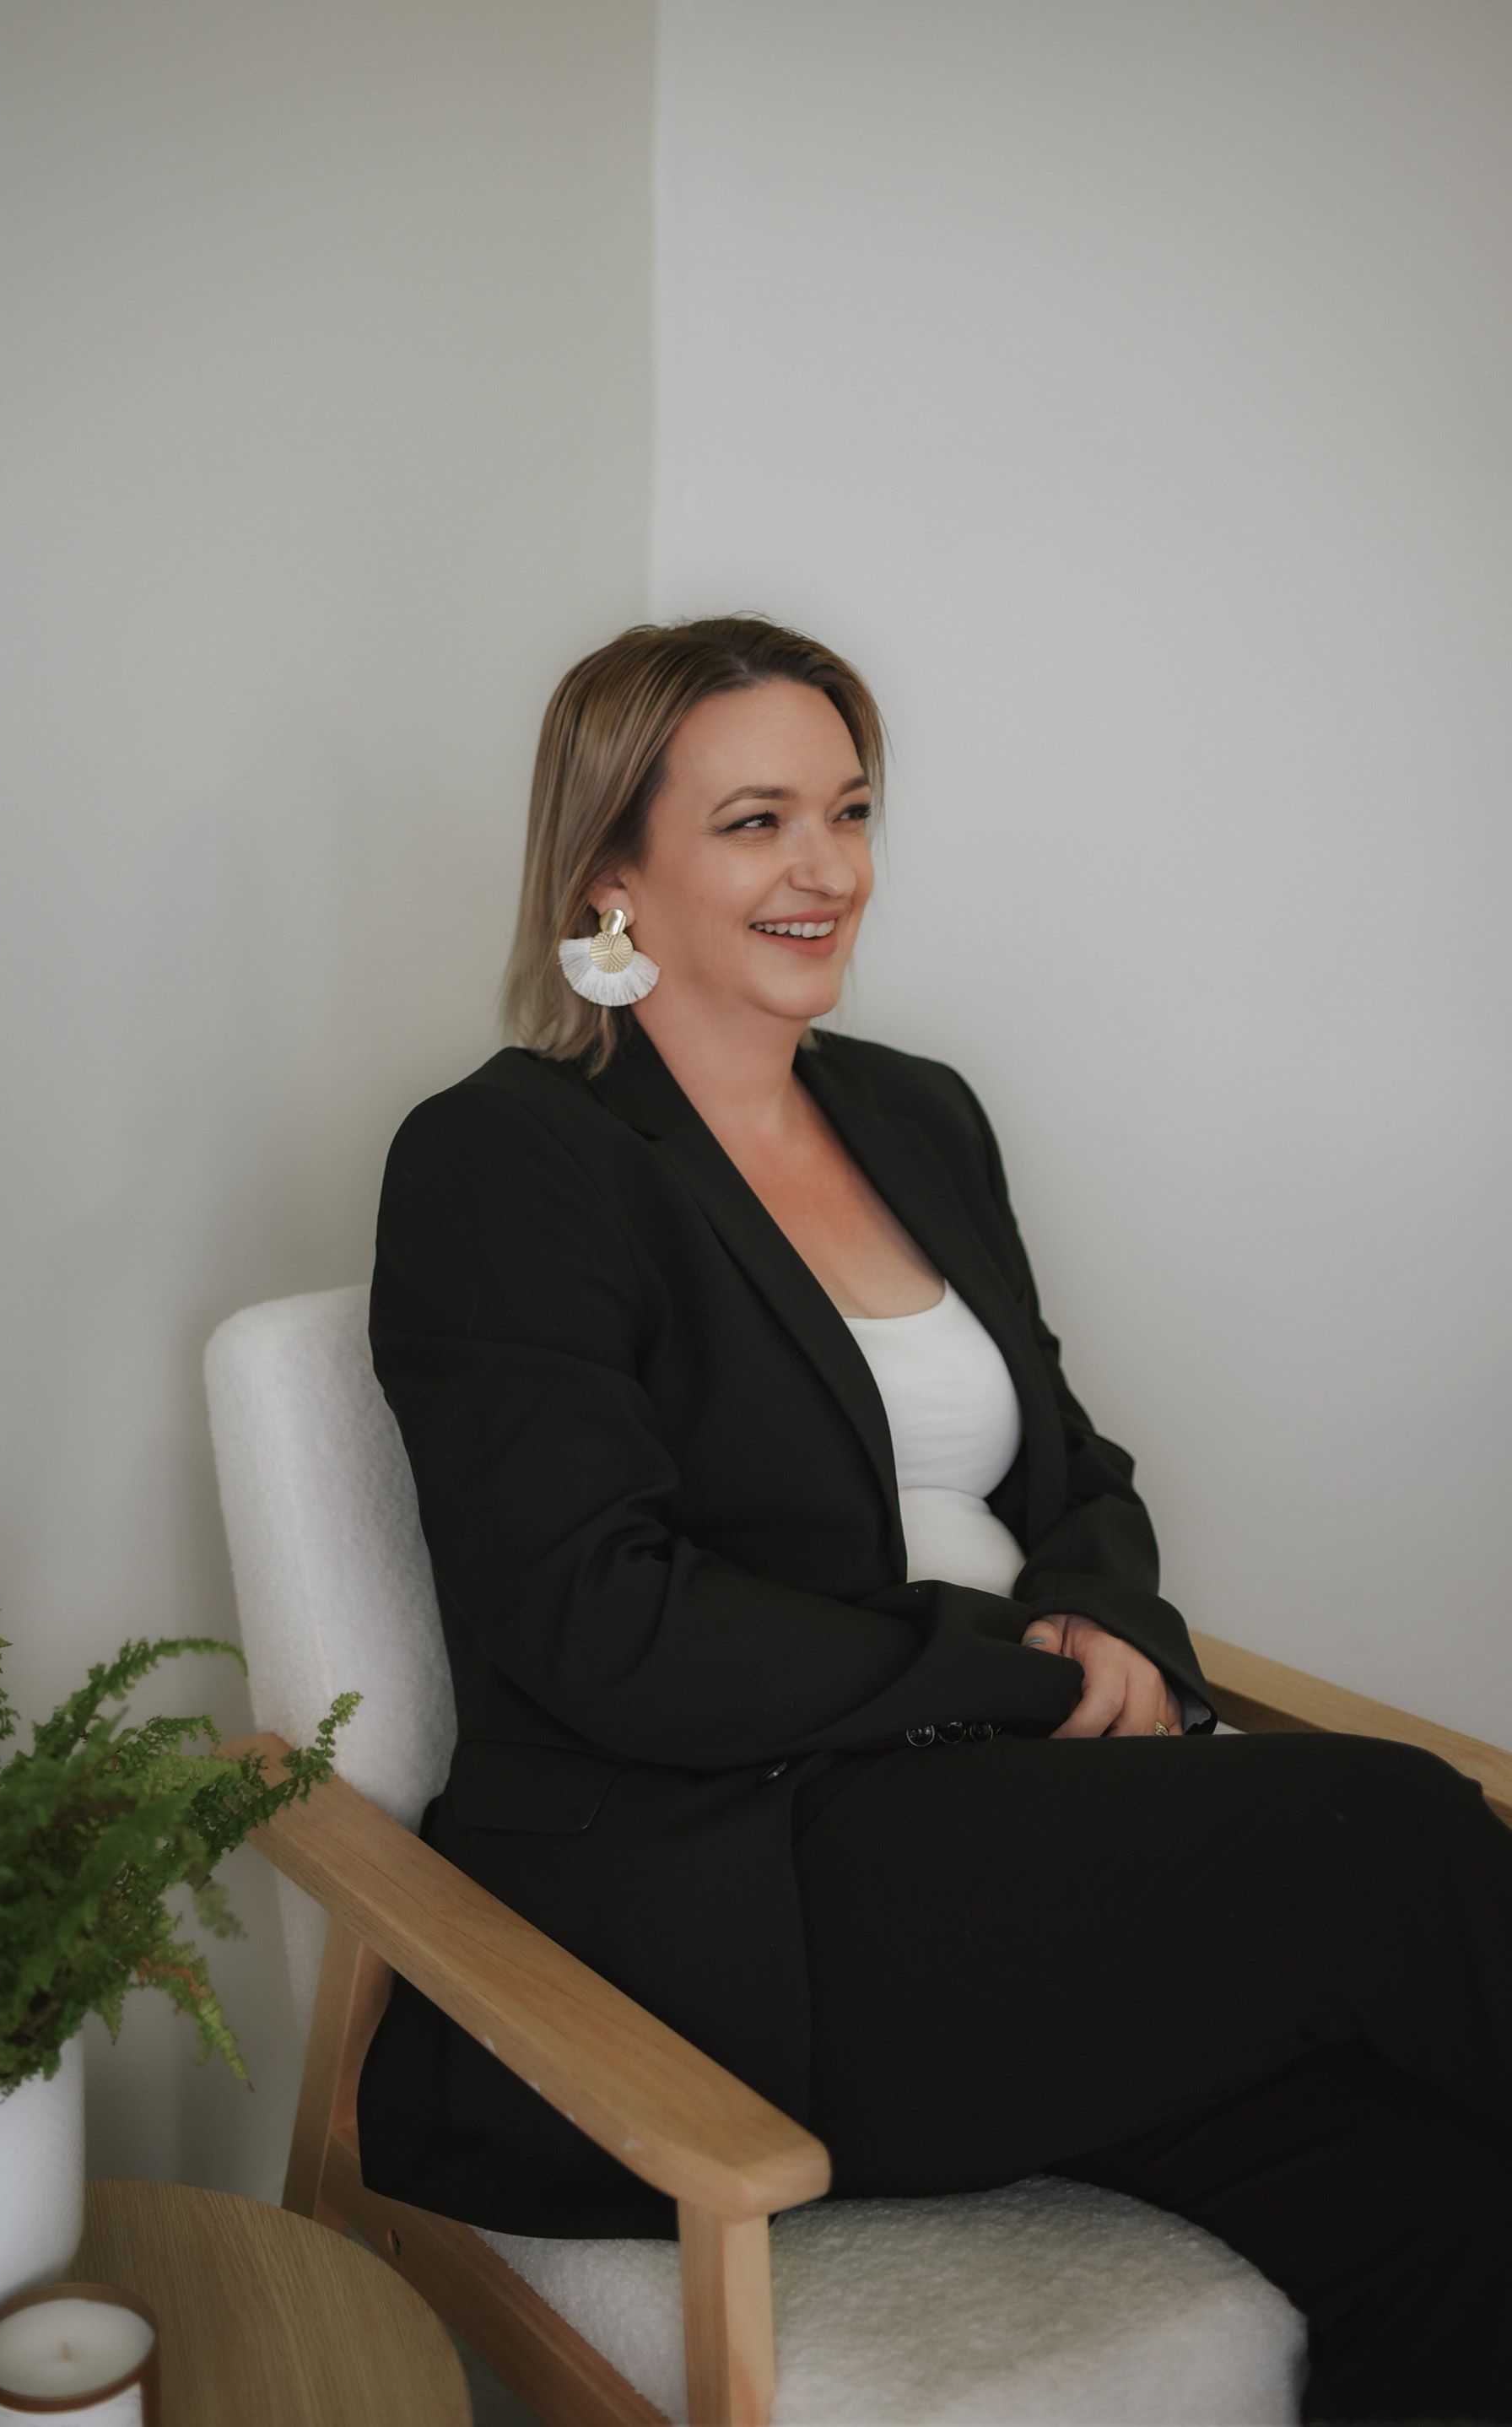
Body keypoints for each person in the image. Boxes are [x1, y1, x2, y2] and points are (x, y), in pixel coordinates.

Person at [357, 614, 1512, 2424]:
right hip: (749, 1900)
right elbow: (602, 1621)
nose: (826, 869)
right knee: (1388, 1824)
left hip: (1027, 1866)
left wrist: (1114, 1625)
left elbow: (1075, 1472)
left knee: (1453, 2212)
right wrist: (1024, 1674)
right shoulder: (509, 1161)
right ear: (613, 877)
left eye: (850, 809)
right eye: (754, 821)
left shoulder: (915, 1113)